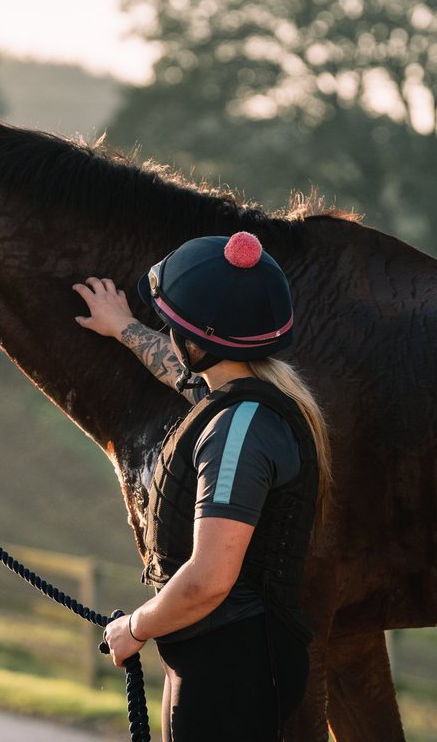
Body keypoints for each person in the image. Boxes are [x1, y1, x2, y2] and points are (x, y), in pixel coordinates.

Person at [72, 231, 331, 741]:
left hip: (230, 668)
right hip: (218, 657)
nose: (167, 336)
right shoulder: (245, 398)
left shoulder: (239, 429)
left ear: (199, 343)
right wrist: (124, 327)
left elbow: (210, 578)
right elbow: (185, 375)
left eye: (172, 327)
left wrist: (135, 628)